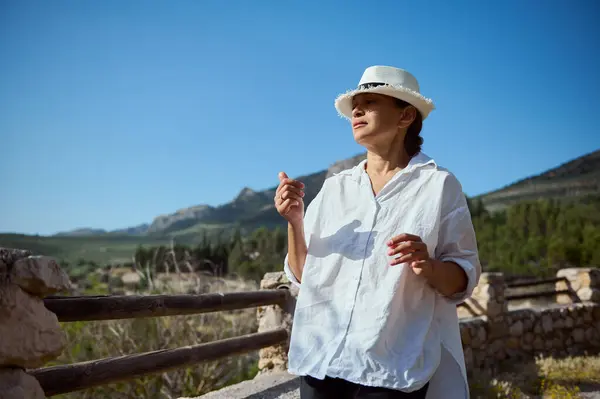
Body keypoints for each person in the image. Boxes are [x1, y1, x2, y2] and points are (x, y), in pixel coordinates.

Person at [274, 65, 481, 399]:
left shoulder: (439, 186)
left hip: (393, 367)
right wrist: (295, 222)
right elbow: (302, 274)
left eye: (370, 102)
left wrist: (428, 265)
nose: (356, 110)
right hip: (321, 360)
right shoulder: (334, 190)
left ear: (405, 116)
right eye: (356, 104)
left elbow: (463, 278)